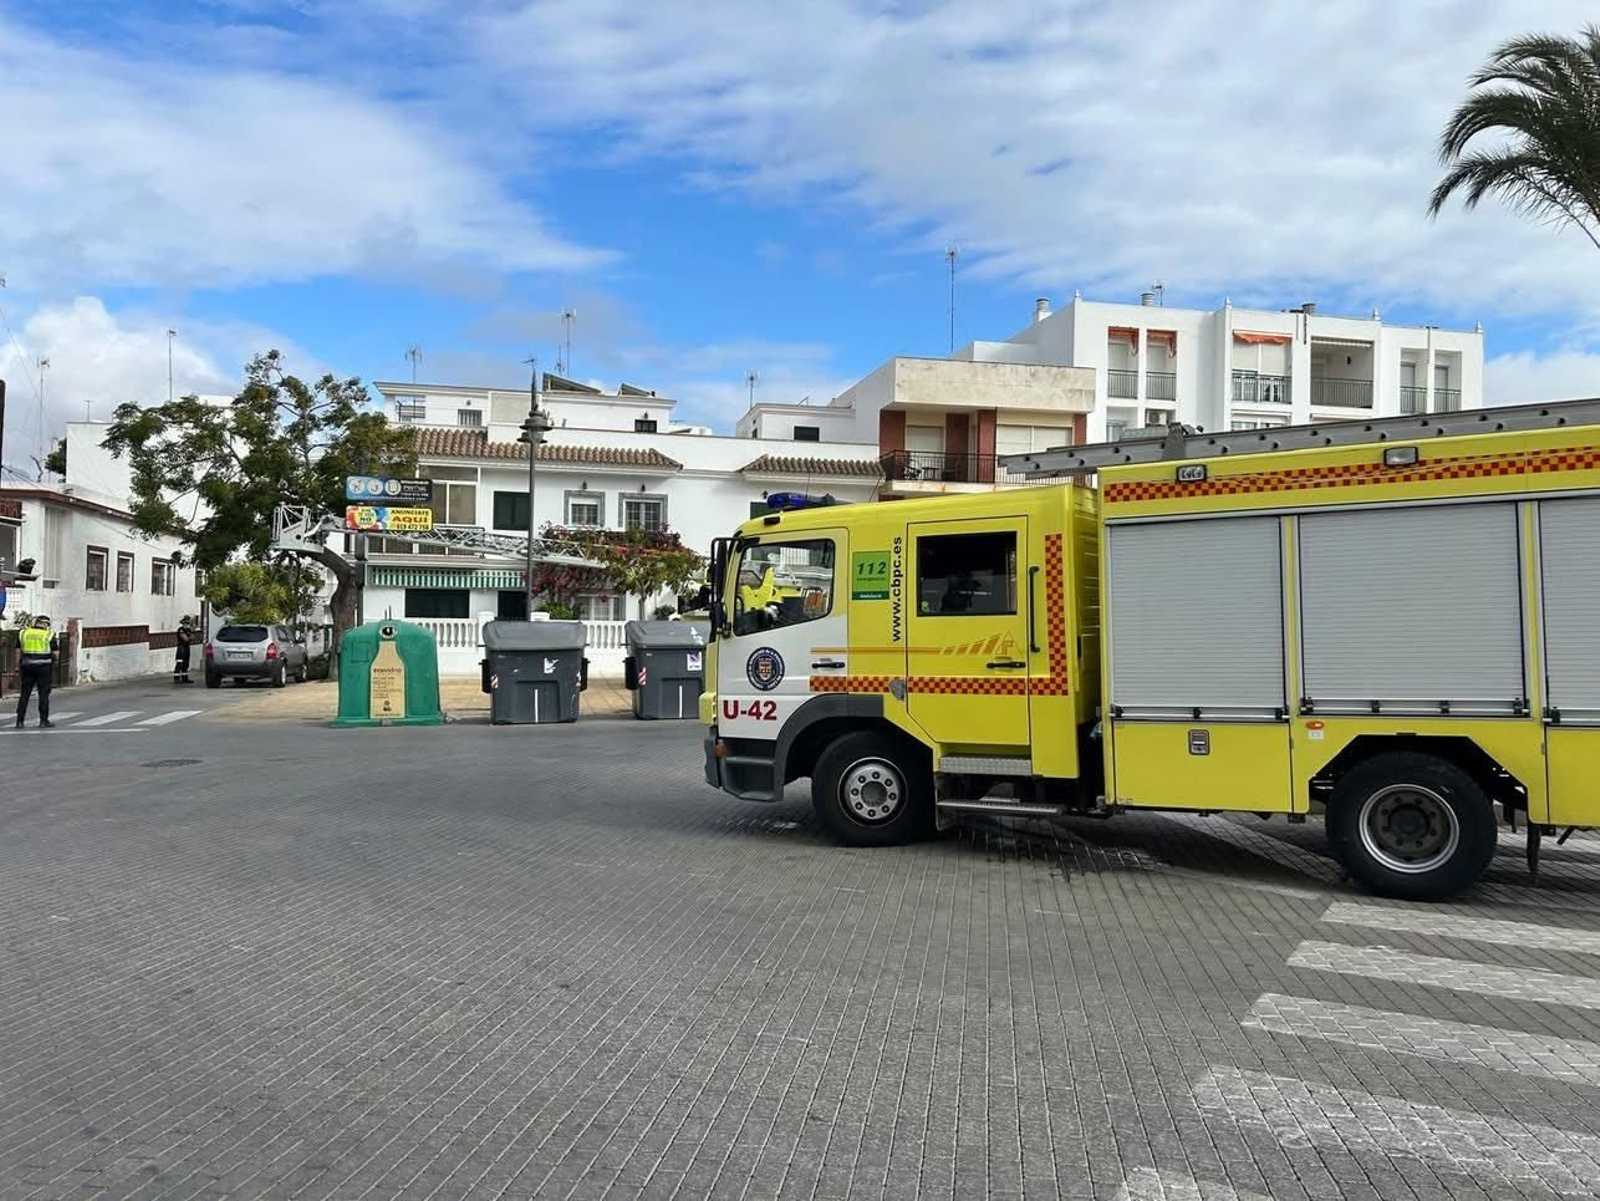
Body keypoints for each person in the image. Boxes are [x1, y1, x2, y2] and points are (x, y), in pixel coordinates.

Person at [15, 614, 58, 729]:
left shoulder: (23, 633)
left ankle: (19, 721)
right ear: (45, 624)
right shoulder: (49, 635)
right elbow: (55, 653)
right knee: (43, 694)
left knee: (24, 694)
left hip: (27, 666)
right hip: (43, 668)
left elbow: (18, 652)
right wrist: (54, 660)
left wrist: (17, 666)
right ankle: (43, 721)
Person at [173, 616, 195, 685]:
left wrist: (189, 637)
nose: (187, 624)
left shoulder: (188, 630)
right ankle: (176, 678)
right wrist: (189, 637)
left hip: (187, 647)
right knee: (180, 663)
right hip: (181, 647)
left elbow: (193, 637)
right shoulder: (181, 630)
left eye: (188, 623)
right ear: (183, 623)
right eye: (186, 623)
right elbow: (185, 638)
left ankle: (185, 678)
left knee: (186, 663)